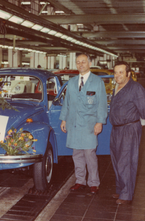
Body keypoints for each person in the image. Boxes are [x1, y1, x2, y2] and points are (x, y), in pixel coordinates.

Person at [59, 53, 108, 194]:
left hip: (89, 125)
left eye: (83, 62)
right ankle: (80, 181)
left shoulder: (97, 82)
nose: (81, 64)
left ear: (89, 63)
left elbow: (102, 105)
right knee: (77, 154)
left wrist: (100, 122)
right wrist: (64, 119)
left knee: (90, 154)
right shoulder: (72, 82)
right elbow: (66, 102)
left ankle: (94, 182)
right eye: (78, 62)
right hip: (74, 124)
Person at [109, 61, 145, 205]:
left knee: (126, 161)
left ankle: (126, 195)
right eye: (116, 72)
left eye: (121, 72)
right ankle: (121, 189)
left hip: (129, 129)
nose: (117, 75)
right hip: (117, 129)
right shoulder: (116, 87)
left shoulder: (136, 88)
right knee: (117, 160)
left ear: (128, 74)